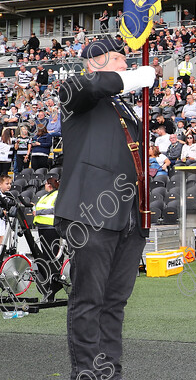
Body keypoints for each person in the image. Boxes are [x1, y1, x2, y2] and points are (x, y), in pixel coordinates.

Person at [55, 36, 156, 379]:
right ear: (94, 62)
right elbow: (89, 86)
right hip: (91, 214)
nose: (126, 65)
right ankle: (86, 373)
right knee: (89, 302)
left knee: (114, 304)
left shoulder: (122, 108)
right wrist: (133, 79)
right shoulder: (74, 93)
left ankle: (110, 372)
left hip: (129, 218)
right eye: (118, 59)